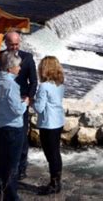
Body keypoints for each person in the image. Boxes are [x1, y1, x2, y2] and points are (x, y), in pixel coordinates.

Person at [0, 31, 37, 180]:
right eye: (11, 44)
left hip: (20, 101)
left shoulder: (27, 58)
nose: (14, 47)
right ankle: (2, 168)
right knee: (1, 139)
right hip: (2, 102)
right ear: (5, 43)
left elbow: (34, 81)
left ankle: (21, 168)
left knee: (21, 136)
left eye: (17, 44)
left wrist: (28, 98)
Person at [0, 50, 29, 201]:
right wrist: (25, 103)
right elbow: (17, 110)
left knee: (3, 163)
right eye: (18, 66)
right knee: (13, 166)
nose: (19, 69)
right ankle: (11, 197)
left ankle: (1, 195)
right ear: (10, 68)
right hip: (13, 128)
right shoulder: (11, 85)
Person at [33, 56, 65, 195]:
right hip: (58, 121)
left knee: (50, 154)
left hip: (48, 124)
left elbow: (39, 108)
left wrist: (30, 101)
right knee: (56, 153)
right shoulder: (60, 84)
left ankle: (54, 184)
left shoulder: (44, 86)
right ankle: (56, 181)